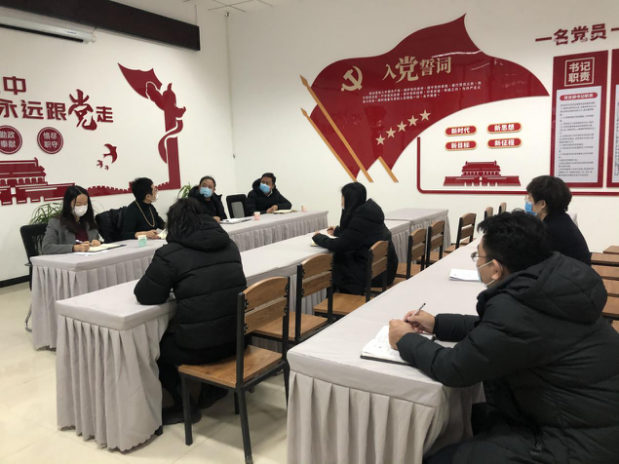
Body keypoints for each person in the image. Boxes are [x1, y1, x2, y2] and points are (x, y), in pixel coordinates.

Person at [388, 212, 619, 464]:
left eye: (478, 257)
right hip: (586, 421)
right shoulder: (550, 284)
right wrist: (438, 324)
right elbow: (496, 331)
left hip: (573, 444)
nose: (477, 263)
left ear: (496, 269)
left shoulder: (518, 309)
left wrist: (405, 339)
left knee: (436, 457)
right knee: (469, 417)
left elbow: (454, 368)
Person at [134, 198, 246, 425]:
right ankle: (212, 389)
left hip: (202, 348)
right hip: (238, 338)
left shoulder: (170, 254)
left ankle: (184, 406)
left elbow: (146, 295)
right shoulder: (229, 245)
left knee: (153, 349)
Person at [312, 182, 398, 294]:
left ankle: (337, 301)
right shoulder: (369, 212)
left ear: (349, 199)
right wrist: (338, 231)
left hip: (376, 274)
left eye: (342, 198)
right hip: (384, 269)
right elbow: (357, 235)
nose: (341, 201)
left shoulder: (360, 218)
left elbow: (340, 245)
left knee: (335, 264)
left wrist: (318, 237)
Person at [526, 175, 591, 265]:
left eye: (530, 198)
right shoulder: (562, 220)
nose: (527, 201)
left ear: (542, 204)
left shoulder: (550, 230)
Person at [42, 185, 101, 254]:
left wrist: (97, 243)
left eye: (85, 204)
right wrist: (74, 248)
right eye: (78, 204)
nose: (82, 207)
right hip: (68, 259)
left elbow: (94, 241)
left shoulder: (88, 221)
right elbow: (46, 248)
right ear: (68, 204)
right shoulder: (56, 223)